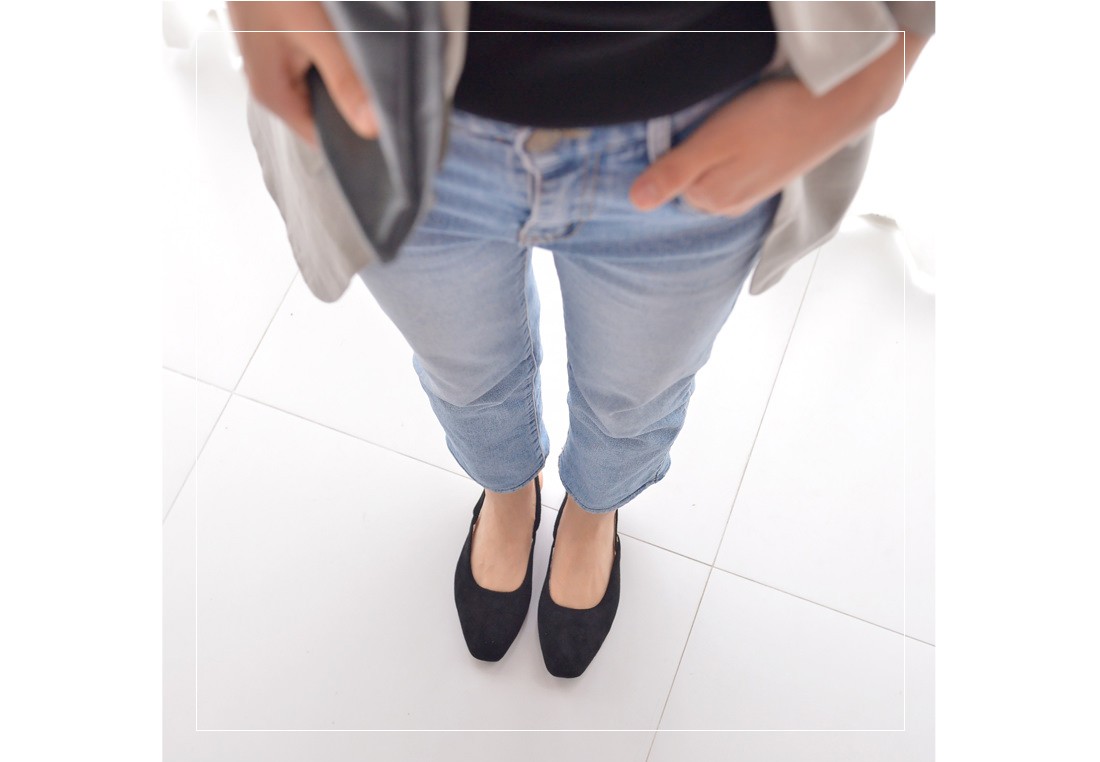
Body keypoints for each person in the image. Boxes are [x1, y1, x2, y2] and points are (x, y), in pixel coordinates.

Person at [228, 1, 932, 679]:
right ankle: (508, 492)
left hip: (707, 110)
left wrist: (880, 73)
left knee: (635, 399)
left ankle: (595, 510)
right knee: (464, 374)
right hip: (395, 93)